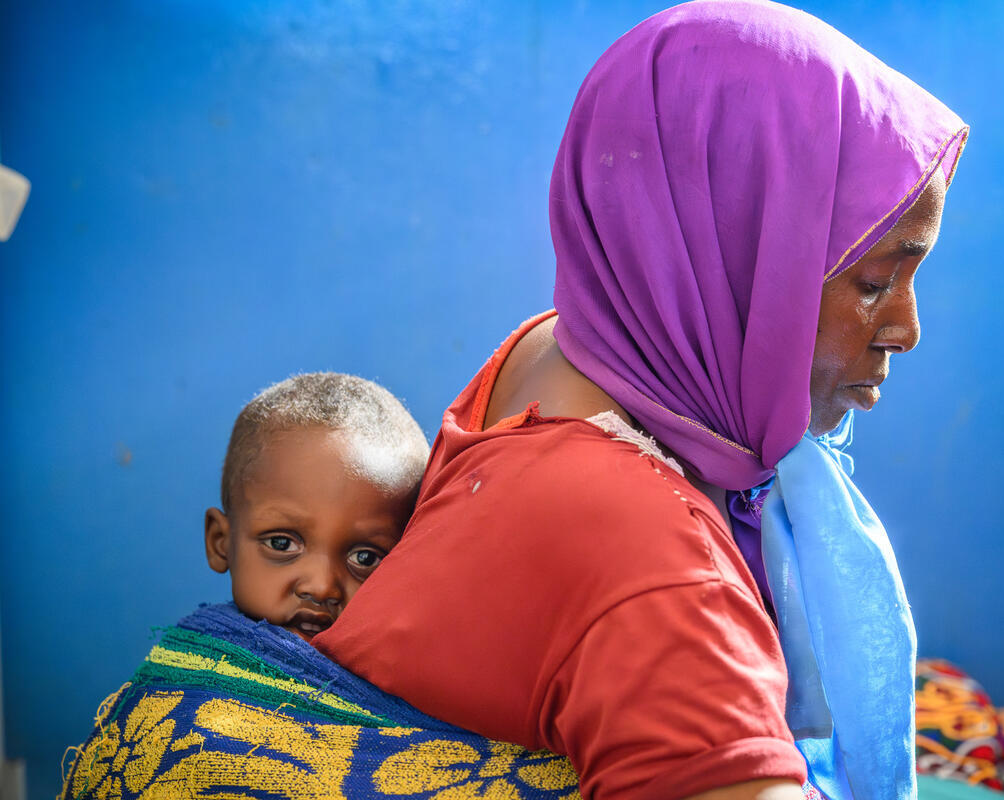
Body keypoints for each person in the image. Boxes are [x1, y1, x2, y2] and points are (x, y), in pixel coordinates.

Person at [316, 2, 968, 800]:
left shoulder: (552, 351)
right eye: (874, 282)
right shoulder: (666, 576)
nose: (906, 329)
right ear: (731, 251)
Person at [204, 371, 429, 640]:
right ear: (220, 542)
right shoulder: (184, 672)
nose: (321, 587)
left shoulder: (402, 675)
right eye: (281, 544)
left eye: (365, 558)